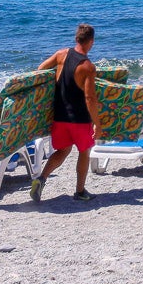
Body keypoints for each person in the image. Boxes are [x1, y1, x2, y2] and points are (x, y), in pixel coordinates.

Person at [30, 23, 102, 202]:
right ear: (91, 41)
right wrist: (98, 124)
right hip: (79, 120)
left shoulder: (61, 54)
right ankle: (80, 191)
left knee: (62, 150)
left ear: (76, 39)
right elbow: (90, 99)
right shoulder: (87, 66)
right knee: (84, 151)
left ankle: (41, 179)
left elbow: (41, 70)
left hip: (59, 117)